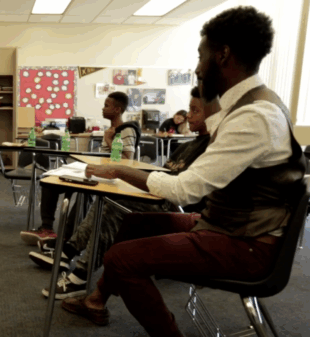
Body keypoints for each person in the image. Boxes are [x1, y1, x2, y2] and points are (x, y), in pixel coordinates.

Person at [61, 7, 307, 337]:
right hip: (232, 227)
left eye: (200, 55)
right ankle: (95, 300)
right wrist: (207, 90)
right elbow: (217, 133)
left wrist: (119, 171)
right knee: (134, 223)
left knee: (121, 258)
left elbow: (183, 191)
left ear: (222, 55)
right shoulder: (252, 104)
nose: (195, 67)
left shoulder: (255, 117)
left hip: (246, 244)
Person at [31, 86, 220, 299]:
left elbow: (181, 191)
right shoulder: (187, 145)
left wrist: (122, 172)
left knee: (112, 206)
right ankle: (69, 252)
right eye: (189, 109)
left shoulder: (212, 147)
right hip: (162, 198)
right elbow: (162, 176)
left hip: (179, 209)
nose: (188, 116)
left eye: (195, 111)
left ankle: (80, 273)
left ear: (214, 112)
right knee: (107, 199)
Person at [20, 92, 140, 245]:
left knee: (84, 191)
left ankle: (66, 237)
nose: (103, 109)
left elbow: (127, 161)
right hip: (98, 170)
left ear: (117, 110)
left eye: (106, 106)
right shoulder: (111, 129)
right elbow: (105, 156)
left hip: (110, 176)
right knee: (50, 181)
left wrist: (109, 140)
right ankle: (47, 229)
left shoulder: (126, 130)